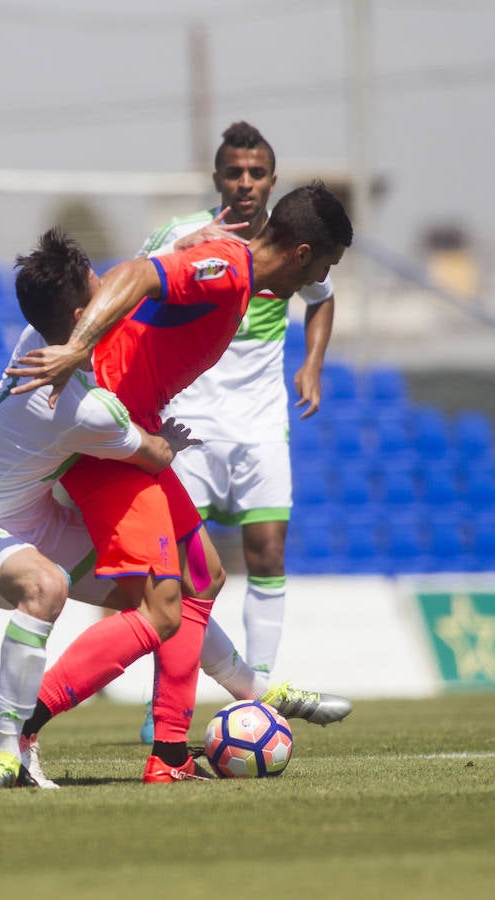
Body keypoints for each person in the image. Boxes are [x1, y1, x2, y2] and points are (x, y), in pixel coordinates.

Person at [0, 182, 353, 784]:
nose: (320, 277)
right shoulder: (228, 270)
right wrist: (76, 351)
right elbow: (138, 274)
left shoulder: (236, 272)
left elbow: (163, 277)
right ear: (302, 253)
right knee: (161, 607)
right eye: (324, 264)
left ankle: (168, 756)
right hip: (109, 442)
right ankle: (16, 727)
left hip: (134, 432)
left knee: (204, 576)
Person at [0, 230, 200, 789]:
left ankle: (246, 695)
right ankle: (8, 754)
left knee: (158, 597)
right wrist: (163, 439)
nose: (109, 290)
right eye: (100, 285)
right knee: (45, 586)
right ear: (82, 313)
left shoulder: (36, 335)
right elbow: (153, 456)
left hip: (36, 521)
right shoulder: (83, 409)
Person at [142, 122, 337, 690]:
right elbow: (134, 286)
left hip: (259, 427)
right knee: (178, 571)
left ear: (273, 181)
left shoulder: (290, 251)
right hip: (188, 427)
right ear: (217, 178)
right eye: (234, 172)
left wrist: (313, 363)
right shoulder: (184, 234)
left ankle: (262, 693)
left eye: (256, 173)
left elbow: (323, 298)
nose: (245, 183)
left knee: (268, 552)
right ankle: (168, 698)